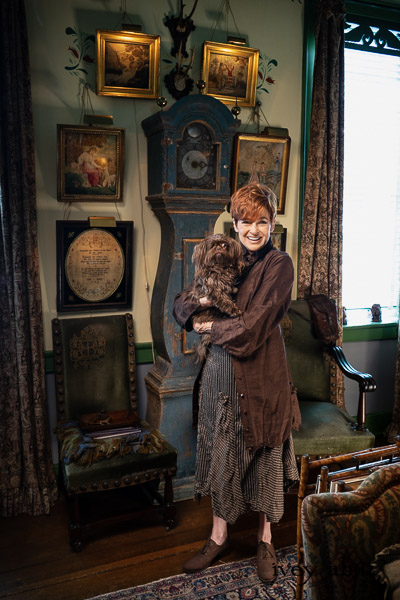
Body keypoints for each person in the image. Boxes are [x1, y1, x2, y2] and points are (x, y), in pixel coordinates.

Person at [173, 183, 301, 583]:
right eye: (246, 221)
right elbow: (180, 306)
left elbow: (253, 329)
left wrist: (207, 326)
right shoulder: (225, 255)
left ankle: (265, 541)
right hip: (219, 377)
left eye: (261, 221)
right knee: (220, 451)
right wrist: (200, 306)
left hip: (263, 374)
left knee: (265, 455)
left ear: (273, 223)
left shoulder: (279, 265)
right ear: (235, 223)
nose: (253, 230)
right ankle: (218, 537)